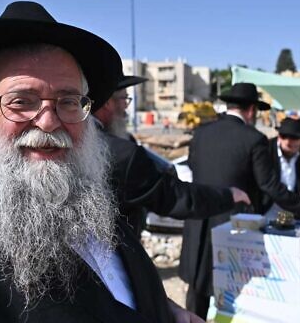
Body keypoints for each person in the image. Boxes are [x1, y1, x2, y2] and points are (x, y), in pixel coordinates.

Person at [0, 1, 175, 322]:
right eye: (21, 101)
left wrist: (164, 309)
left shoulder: (90, 196)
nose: (48, 122)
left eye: (68, 101)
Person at [178, 82, 300, 319]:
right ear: (250, 111)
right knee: (235, 294)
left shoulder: (201, 133)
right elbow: (269, 184)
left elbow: (194, 168)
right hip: (233, 226)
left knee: (198, 291)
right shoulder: (254, 139)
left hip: (198, 222)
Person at [92, 77, 251, 238]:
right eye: (124, 99)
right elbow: (174, 197)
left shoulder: (80, 143)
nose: (126, 108)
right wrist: (228, 195)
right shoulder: (124, 153)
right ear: (107, 102)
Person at [264, 117, 300, 219]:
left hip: (292, 205)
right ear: (280, 137)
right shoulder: (267, 149)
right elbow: (266, 182)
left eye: (295, 139)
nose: (290, 144)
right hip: (269, 205)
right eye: (286, 138)